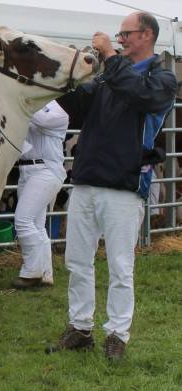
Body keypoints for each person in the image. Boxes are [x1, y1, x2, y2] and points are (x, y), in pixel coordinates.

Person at [49, 12, 176, 360]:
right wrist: (67, 75)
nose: (119, 39)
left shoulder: (161, 79)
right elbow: (76, 105)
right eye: (118, 35)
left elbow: (142, 98)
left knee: (120, 266)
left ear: (147, 35)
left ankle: (117, 334)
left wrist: (110, 57)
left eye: (126, 34)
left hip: (124, 185)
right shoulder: (109, 77)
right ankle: (80, 327)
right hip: (87, 179)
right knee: (77, 261)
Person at [12, 101, 69, 289]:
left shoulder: (59, 112)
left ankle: (32, 272)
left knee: (23, 220)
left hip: (47, 169)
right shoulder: (31, 106)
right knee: (36, 224)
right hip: (25, 170)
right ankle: (45, 274)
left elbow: (42, 120)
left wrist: (21, 100)